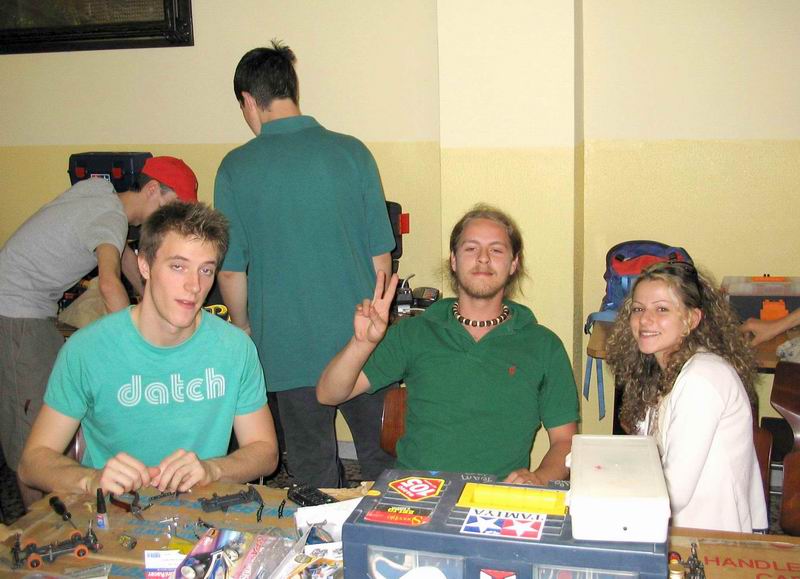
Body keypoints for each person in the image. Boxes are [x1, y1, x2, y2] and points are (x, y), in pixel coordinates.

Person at [214, 41, 396, 487]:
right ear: (291, 90)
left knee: (313, 468)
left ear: (248, 101)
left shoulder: (235, 167)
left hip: (287, 343)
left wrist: (243, 324)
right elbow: (381, 258)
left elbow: (231, 269)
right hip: (361, 338)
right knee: (384, 460)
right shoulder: (353, 152)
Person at [18, 202, 278, 496]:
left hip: (201, 509)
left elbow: (265, 451)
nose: (194, 285)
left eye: (206, 270)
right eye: (178, 266)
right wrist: (91, 480)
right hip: (116, 510)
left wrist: (213, 469)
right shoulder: (87, 350)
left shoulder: (234, 348)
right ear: (144, 265)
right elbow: (33, 461)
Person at [317, 205, 579, 484]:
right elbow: (328, 394)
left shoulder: (544, 345)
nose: (483, 258)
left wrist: (539, 479)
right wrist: (361, 344)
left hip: (497, 496)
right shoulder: (415, 332)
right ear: (453, 260)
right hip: (416, 493)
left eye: (496, 250)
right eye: (471, 248)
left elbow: (564, 441)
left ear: (514, 263)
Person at [0, 155, 198, 506]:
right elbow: (108, 283)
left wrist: (150, 298)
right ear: (152, 189)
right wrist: (134, 346)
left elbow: (123, 258)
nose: (173, 223)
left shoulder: (100, 193)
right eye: (173, 209)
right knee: (32, 436)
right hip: (17, 312)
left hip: (28, 306)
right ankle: (35, 525)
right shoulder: (110, 218)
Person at [606, 261, 768, 532]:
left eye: (661, 309)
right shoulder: (662, 372)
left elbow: (673, 493)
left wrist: (602, 497)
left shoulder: (701, 378)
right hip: (677, 529)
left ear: (691, 319)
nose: (645, 320)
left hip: (707, 540)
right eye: (638, 309)